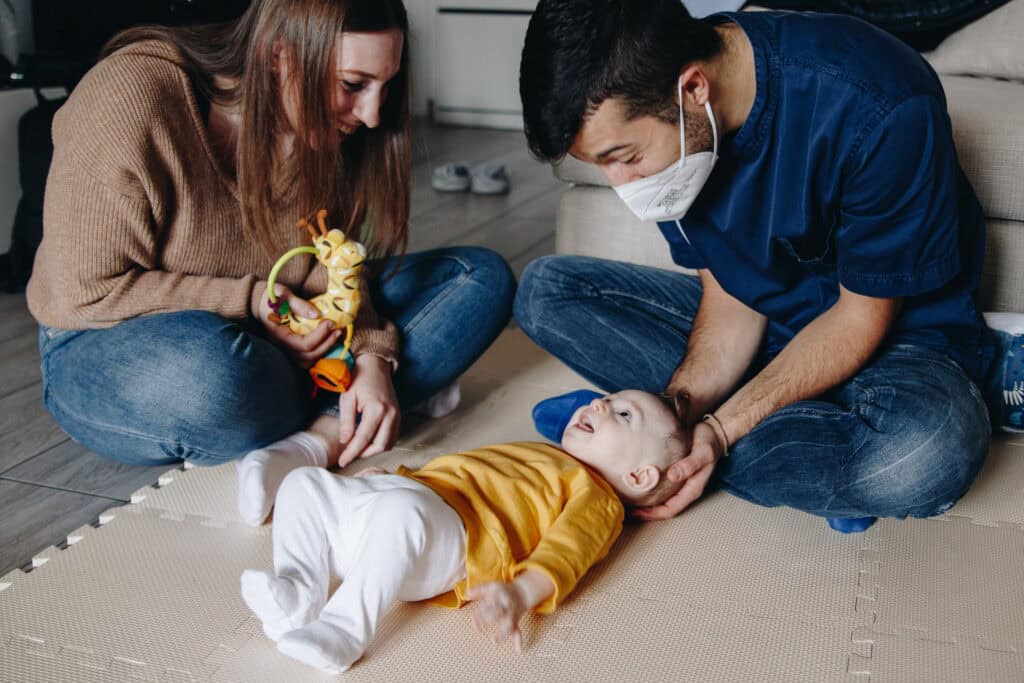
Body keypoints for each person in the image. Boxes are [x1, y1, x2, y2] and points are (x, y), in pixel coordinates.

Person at [515, 0, 1024, 529]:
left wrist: (716, 432)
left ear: (693, 89)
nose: (625, 187)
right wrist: (678, 408)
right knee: (545, 292)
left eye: (625, 157)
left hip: (896, 340)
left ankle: (644, 456)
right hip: (770, 335)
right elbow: (732, 297)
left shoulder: (879, 102)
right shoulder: (683, 131)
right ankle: (687, 439)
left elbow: (858, 321)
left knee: (923, 456)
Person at [26, 0, 516, 507]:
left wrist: (372, 356)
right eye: (353, 85)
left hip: (279, 328)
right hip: (109, 335)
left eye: (383, 87)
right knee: (220, 380)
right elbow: (82, 292)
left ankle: (316, 437)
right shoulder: (132, 95)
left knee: (478, 278)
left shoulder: (324, 126)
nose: (372, 116)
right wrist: (255, 302)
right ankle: (344, 403)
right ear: (278, 55)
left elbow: (338, 268)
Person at [239, 390, 687, 673]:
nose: (598, 403)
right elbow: (464, 473)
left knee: (403, 512)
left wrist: (520, 592)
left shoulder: (597, 497)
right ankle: (298, 593)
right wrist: (395, 475)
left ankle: (343, 631)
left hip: (455, 542)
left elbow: (568, 553)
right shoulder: (546, 453)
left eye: (624, 414)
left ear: (640, 477)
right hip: (408, 501)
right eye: (606, 398)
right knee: (302, 484)